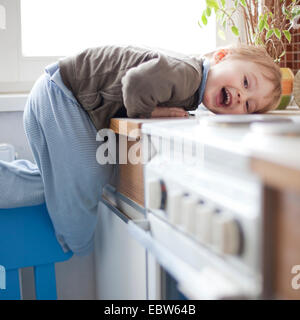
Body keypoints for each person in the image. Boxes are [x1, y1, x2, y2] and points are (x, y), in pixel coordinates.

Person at [0, 44, 282, 255]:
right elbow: (136, 84)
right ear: (221, 56)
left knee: (55, 182)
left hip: (53, 91)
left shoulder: (191, 81)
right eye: (245, 82)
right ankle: (73, 241)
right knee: (91, 179)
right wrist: (151, 114)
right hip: (61, 97)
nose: (241, 97)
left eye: (248, 106)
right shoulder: (188, 75)